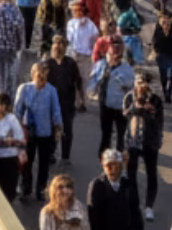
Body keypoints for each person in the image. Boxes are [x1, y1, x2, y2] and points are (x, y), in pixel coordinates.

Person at [17, 60, 65, 201]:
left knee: (44, 163)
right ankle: (26, 189)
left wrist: (58, 127)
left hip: (45, 132)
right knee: (27, 162)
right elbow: (17, 110)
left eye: (44, 74)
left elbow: (56, 111)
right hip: (28, 131)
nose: (42, 76)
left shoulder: (51, 90)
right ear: (33, 75)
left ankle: (41, 190)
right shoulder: (24, 89)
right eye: (39, 73)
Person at [124, 73, 166, 220]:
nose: (140, 87)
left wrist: (149, 111)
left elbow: (158, 123)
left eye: (144, 83)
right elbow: (125, 114)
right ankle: (133, 203)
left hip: (150, 140)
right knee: (131, 173)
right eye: (138, 83)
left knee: (151, 173)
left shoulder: (156, 100)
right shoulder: (129, 97)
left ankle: (149, 206)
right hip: (133, 141)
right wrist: (136, 107)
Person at [46, 34, 86, 165]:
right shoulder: (47, 64)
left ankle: (65, 157)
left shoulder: (70, 63)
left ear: (65, 47)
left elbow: (78, 82)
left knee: (66, 130)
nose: (57, 47)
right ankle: (50, 154)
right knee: (51, 130)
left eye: (60, 44)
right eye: (55, 44)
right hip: (51, 104)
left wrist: (82, 100)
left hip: (67, 103)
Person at [95, 43, 137, 157]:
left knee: (121, 135)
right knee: (106, 134)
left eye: (110, 54)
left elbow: (129, 86)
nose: (108, 57)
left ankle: (119, 159)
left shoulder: (126, 69)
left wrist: (118, 79)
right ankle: (103, 157)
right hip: (105, 106)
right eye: (108, 54)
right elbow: (95, 81)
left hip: (120, 107)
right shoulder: (103, 66)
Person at [0, 0, 26, 94]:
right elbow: (20, 28)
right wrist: (21, 45)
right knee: (12, 77)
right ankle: (10, 101)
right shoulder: (15, 10)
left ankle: (1, 96)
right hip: (12, 48)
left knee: (1, 78)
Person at [67, 2, 100, 99]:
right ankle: (73, 99)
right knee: (71, 78)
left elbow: (95, 38)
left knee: (83, 79)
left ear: (83, 11)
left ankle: (82, 101)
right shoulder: (71, 23)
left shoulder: (90, 25)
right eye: (74, 11)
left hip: (86, 56)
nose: (76, 12)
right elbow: (70, 39)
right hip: (74, 54)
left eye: (78, 10)